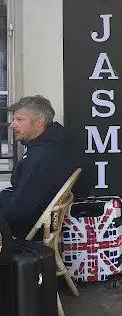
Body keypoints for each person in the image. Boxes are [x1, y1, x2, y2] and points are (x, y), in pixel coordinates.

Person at [0, 96, 78, 238]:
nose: (12, 125)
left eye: (19, 120)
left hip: (25, 228)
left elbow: (20, 209)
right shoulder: (50, 146)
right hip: (32, 219)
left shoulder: (43, 157)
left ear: (39, 122)